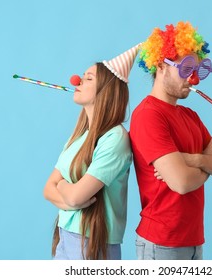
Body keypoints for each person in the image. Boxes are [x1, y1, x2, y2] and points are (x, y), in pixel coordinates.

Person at [129, 21, 212, 260]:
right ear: (160, 65)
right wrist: (209, 164)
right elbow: (181, 182)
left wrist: (193, 159)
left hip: (194, 240)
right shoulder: (148, 115)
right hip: (161, 243)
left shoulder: (191, 116)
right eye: (186, 68)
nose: (194, 79)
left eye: (198, 70)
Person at [43, 44, 140, 260]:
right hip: (66, 237)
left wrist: (64, 188)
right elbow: (48, 190)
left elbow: (75, 196)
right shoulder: (79, 135)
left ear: (106, 90)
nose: (76, 80)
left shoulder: (115, 139)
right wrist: (69, 196)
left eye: (88, 78)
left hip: (93, 244)